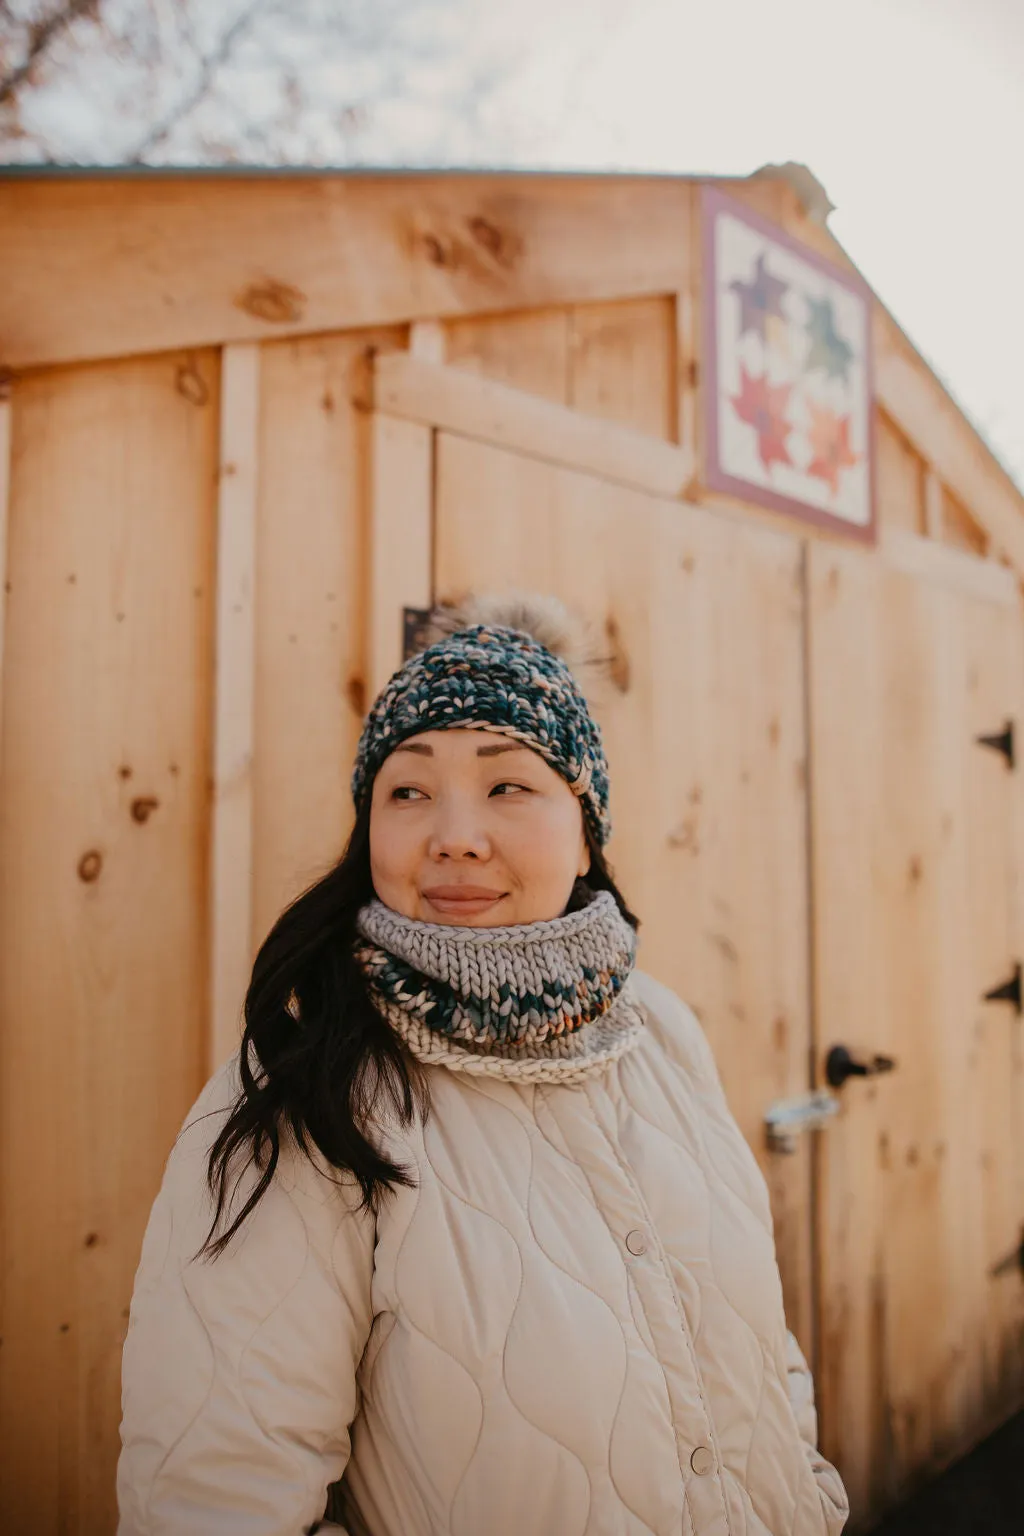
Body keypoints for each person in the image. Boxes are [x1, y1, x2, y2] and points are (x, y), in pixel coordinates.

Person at [117, 592, 849, 1536]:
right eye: (409, 790)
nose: (454, 833)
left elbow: (755, 1334)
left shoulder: (661, 1029)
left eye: (508, 785)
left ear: (585, 829)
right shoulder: (308, 1103)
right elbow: (212, 1502)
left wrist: (810, 1495)